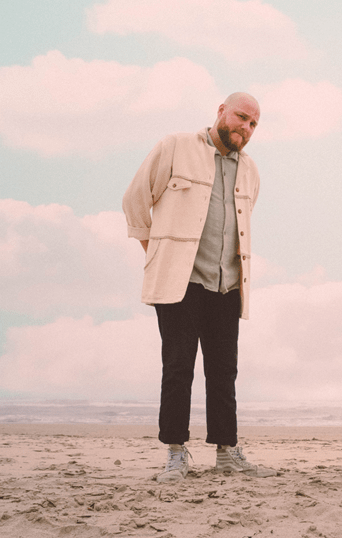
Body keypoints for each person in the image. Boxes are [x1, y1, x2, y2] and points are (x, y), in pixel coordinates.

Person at [123, 92, 276, 482]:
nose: (246, 127)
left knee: (224, 371)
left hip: (227, 285)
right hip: (181, 284)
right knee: (178, 368)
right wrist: (158, 254)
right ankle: (175, 452)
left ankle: (227, 452)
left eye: (254, 124)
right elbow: (135, 201)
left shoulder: (250, 170)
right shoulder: (174, 148)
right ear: (221, 111)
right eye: (242, 117)